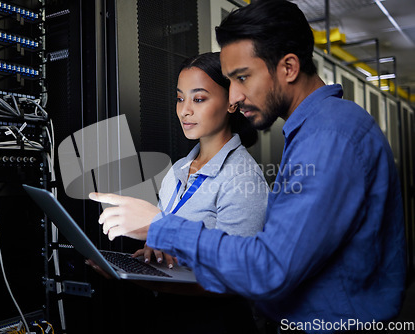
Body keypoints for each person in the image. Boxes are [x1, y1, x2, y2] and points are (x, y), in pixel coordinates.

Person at [90, 0, 406, 333]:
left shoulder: (329, 135)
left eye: (242, 78)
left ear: (288, 68)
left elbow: (269, 268)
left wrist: (161, 226)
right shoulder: (315, 130)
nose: (235, 96)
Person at [133, 52, 269, 334]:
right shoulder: (179, 169)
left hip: (217, 322)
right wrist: (151, 256)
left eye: (199, 99)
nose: (184, 110)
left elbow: (236, 278)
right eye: (180, 98)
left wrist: (145, 280)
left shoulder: (243, 177)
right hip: (169, 315)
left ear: (231, 103)